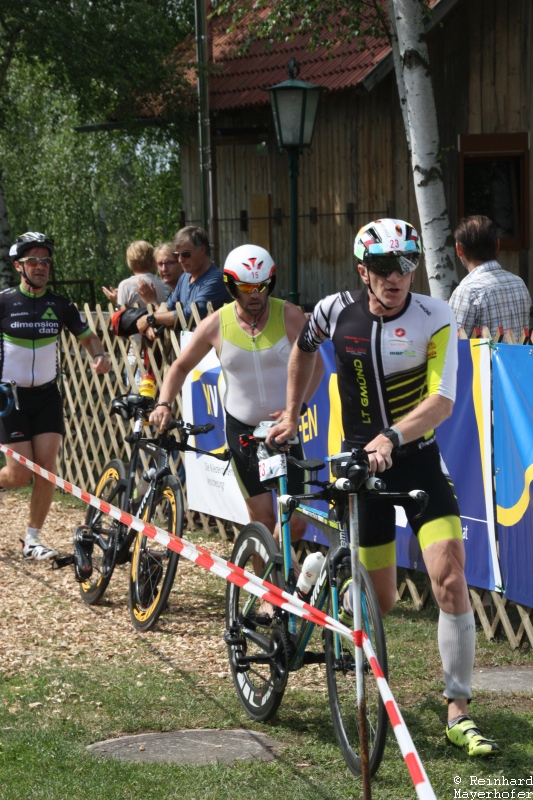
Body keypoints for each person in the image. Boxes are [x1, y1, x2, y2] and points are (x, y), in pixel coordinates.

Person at [267, 218, 499, 758]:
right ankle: (316, 575)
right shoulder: (334, 310)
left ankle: (458, 711)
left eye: (407, 264)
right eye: (384, 267)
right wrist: (293, 409)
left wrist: (392, 436)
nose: (397, 276)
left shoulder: (436, 315)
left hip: (415, 459)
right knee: (381, 601)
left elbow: (442, 400)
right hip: (359, 464)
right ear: (363, 271)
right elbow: (303, 347)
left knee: (450, 577)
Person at [149, 244, 323, 546]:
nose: (255, 295)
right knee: (263, 520)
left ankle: (278, 567)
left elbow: (316, 365)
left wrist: (298, 408)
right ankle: (267, 575)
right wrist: (163, 403)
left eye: (262, 287)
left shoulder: (289, 314)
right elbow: (180, 366)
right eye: (246, 288)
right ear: (231, 286)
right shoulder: (217, 323)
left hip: (283, 430)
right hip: (242, 430)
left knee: (295, 522)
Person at [0, 232, 111, 560]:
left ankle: (32, 539)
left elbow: (89, 338)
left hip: (48, 396)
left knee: (47, 467)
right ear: (19, 266)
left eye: (46, 261)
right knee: (18, 476)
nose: (41, 266)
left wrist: (99, 355)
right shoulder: (4, 302)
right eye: (33, 260)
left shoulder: (60, 305)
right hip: (11, 398)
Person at [136, 226, 229, 339]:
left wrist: (150, 319)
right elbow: (168, 306)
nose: (180, 259)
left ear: (202, 250)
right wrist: (151, 324)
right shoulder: (185, 277)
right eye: (177, 255)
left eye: (185, 254)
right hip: (190, 345)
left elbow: (189, 314)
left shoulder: (216, 279)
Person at [449, 214, 532, 341]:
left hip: (484, 356)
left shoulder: (467, 292)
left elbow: (453, 344)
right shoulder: (519, 284)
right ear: (497, 245)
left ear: (459, 249)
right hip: (518, 355)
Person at [102, 240, 167, 308]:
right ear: (153, 262)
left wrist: (117, 300)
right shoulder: (165, 284)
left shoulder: (125, 285)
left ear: (129, 263)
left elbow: (122, 312)